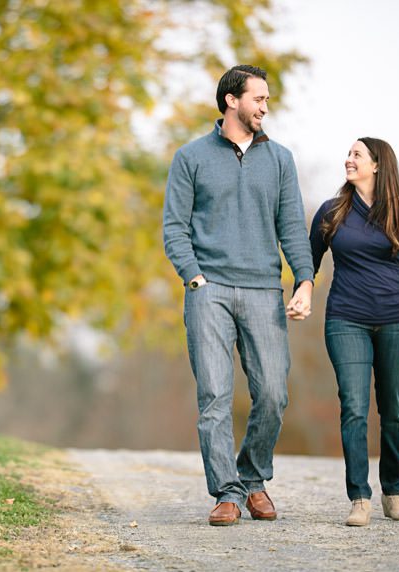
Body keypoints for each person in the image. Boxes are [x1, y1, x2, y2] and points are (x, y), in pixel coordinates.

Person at [163, 65, 314, 527]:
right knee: (214, 395)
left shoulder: (280, 159)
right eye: (258, 99)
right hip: (209, 291)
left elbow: (291, 227)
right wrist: (194, 278)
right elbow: (174, 227)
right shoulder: (191, 157)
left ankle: (251, 477)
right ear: (232, 100)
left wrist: (304, 281)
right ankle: (226, 492)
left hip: (264, 290)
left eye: (267, 100)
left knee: (272, 393)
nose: (265, 108)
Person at [309, 137, 399, 527]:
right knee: (353, 408)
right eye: (348, 154)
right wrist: (302, 291)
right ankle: (359, 498)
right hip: (346, 318)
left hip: (398, 321)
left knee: (393, 409)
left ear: (378, 165)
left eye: (356, 154)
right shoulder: (332, 211)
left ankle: (392, 493)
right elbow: (307, 259)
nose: (348, 159)